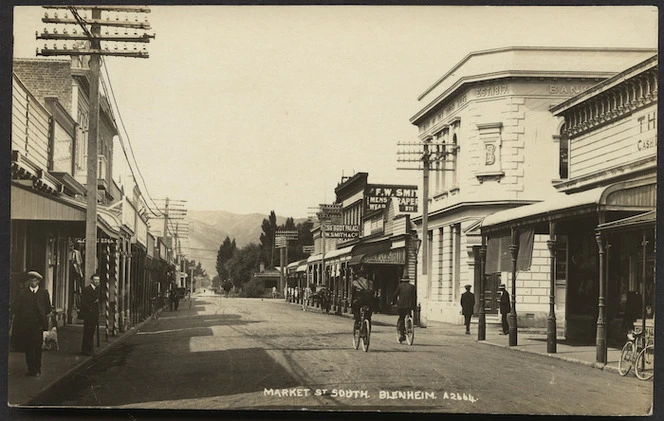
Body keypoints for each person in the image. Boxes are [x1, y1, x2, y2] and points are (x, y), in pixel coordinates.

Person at [10, 271, 52, 376]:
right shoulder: (22, 293)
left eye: (35, 280)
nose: (33, 282)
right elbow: (16, 308)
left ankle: (38, 368)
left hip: (38, 325)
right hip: (26, 325)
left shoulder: (43, 292)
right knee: (28, 348)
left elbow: (48, 308)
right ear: (28, 281)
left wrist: (42, 318)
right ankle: (31, 370)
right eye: (31, 280)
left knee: (38, 347)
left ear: (38, 281)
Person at [80, 273, 101, 356]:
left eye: (98, 280)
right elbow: (84, 302)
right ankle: (86, 350)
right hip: (89, 314)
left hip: (94, 314)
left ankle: (90, 349)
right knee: (87, 332)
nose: (97, 282)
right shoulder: (87, 289)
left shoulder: (97, 289)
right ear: (91, 280)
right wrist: (92, 305)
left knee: (91, 332)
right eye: (95, 280)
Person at [391, 276, 416, 342]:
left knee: (401, 318)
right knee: (409, 315)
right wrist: (414, 306)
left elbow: (395, 295)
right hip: (410, 305)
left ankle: (402, 334)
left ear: (402, 280)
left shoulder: (400, 286)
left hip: (402, 305)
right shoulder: (412, 287)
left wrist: (393, 302)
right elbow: (415, 297)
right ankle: (409, 325)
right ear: (408, 281)